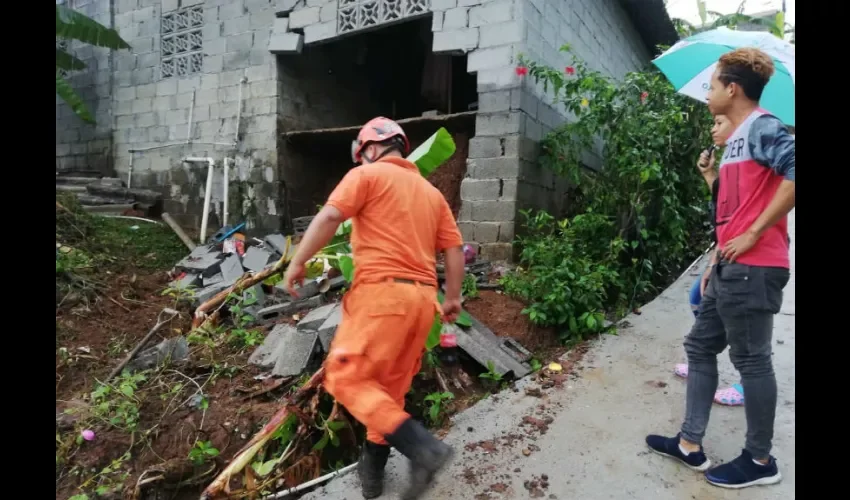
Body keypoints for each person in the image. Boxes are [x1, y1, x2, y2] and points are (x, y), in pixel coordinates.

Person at [282, 117, 465, 500]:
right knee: (387, 395)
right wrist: (452, 299)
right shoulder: (432, 195)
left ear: (367, 148)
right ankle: (373, 479)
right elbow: (453, 249)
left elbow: (331, 216)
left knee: (343, 377)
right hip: (422, 305)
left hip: (382, 297)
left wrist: (298, 262)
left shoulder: (366, 177)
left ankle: (423, 448)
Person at [645, 47, 795, 489]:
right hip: (728, 265)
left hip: (756, 265)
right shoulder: (736, 141)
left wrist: (753, 235)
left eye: (711, 86)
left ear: (732, 89)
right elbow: (733, 209)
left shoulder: (765, 127)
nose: (707, 94)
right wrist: (711, 181)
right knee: (699, 346)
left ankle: (761, 460)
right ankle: (689, 445)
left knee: (752, 361)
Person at [675, 115, 746, 407]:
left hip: (746, 254)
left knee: (744, 323)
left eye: (719, 122)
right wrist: (709, 174)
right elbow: (724, 206)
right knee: (699, 297)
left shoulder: (750, 158)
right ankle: (702, 362)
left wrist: (721, 253)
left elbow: (741, 212)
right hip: (726, 248)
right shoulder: (732, 159)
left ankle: (746, 385)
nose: (712, 128)